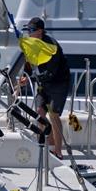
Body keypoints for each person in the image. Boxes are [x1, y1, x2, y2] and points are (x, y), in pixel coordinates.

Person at [19, 17, 71, 159]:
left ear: (40, 31)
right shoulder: (31, 44)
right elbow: (29, 63)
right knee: (39, 112)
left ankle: (58, 151)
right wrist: (26, 76)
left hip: (58, 83)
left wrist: (34, 78)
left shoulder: (51, 46)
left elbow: (51, 73)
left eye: (31, 30)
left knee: (54, 115)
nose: (29, 33)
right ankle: (43, 144)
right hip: (44, 84)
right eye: (27, 30)